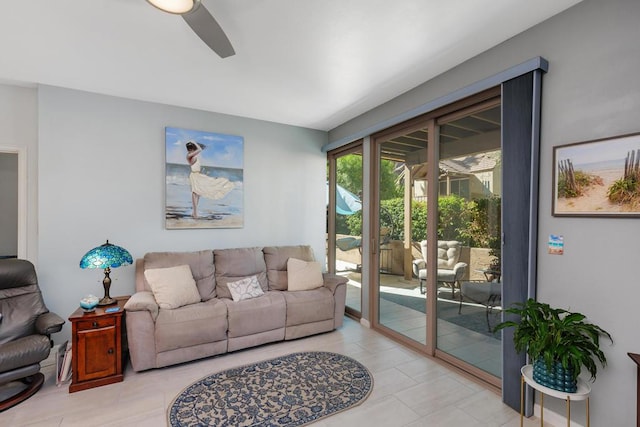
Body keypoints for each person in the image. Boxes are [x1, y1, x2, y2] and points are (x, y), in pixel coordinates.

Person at [186, 141, 234, 218]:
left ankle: (194, 212)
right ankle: (195, 213)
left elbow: (198, 151)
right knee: (195, 193)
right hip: (194, 175)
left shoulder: (192, 155)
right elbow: (199, 150)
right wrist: (194, 142)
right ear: (190, 149)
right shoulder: (189, 155)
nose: (191, 150)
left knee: (198, 193)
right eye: (191, 149)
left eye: (191, 148)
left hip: (197, 174)